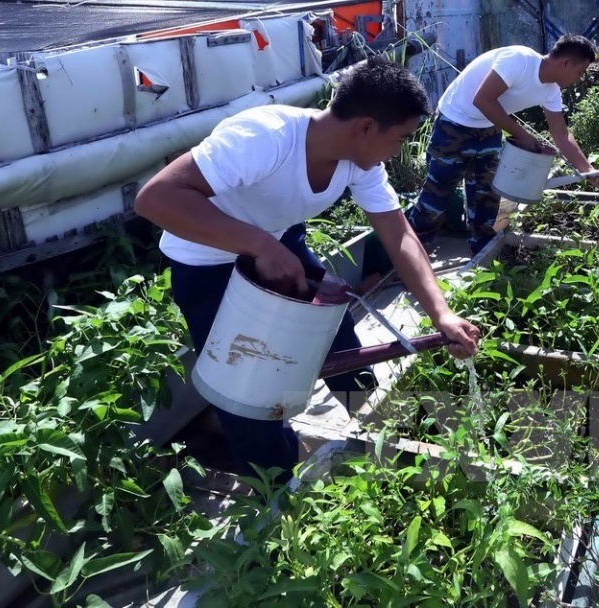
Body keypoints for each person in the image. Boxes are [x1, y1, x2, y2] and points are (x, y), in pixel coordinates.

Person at [134, 57, 480, 483]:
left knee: (339, 340)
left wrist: (440, 313)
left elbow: (399, 235)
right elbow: (155, 199)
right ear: (366, 127)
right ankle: (276, 494)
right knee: (247, 389)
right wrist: (258, 244)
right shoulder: (265, 138)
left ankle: (387, 430)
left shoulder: (359, 161)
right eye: (401, 137)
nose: (399, 149)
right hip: (207, 262)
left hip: (278, 243)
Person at [406, 34, 599, 255]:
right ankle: (412, 257)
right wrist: (523, 135)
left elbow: (562, 135)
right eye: (579, 72)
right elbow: (483, 99)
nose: (579, 78)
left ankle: (483, 255)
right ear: (565, 63)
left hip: (489, 127)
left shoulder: (551, 91)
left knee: (487, 198)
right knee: (436, 198)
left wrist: (589, 171)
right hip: (454, 124)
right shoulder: (519, 60)